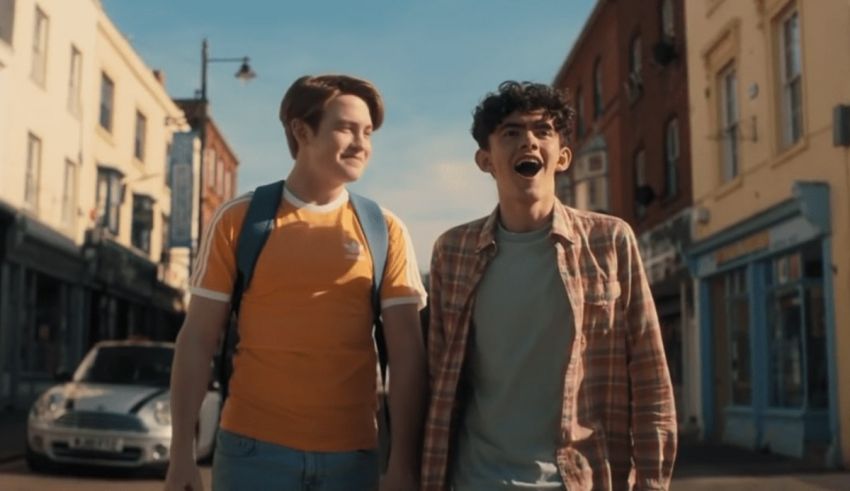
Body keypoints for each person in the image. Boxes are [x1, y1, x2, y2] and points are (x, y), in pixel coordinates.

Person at [164, 74, 428, 491]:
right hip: (251, 455)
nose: (362, 144)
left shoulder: (385, 229)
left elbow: (407, 353)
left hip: (353, 458)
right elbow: (196, 338)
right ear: (301, 130)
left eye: (368, 132)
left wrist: (404, 464)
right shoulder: (239, 219)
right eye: (346, 128)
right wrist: (181, 454)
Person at [422, 81, 677, 491]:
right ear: (484, 159)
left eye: (543, 131)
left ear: (563, 156)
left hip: (580, 478)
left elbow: (649, 376)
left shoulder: (609, 241)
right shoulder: (452, 252)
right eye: (511, 132)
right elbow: (435, 380)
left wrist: (652, 482)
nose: (528, 141)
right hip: (474, 480)